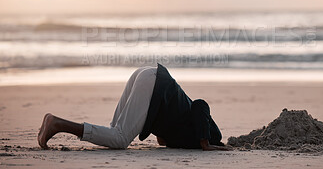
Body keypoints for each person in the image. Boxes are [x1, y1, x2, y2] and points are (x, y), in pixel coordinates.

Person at [38, 64, 229, 151]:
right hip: (154, 85)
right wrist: (207, 143)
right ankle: (58, 124)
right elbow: (200, 105)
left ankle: (55, 123)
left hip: (147, 75)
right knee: (120, 139)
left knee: (113, 132)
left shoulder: (185, 136)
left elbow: (164, 138)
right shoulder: (213, 135)